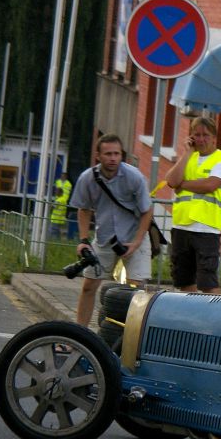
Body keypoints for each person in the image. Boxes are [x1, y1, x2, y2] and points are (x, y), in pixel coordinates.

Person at [70, 134, 153, 327]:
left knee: (136, 291)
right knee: (89, 285)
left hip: (134, 236)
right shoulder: (88, 178)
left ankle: (130, 338)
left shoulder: (134, 177)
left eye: (117, 154)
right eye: (108, 154)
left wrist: (137, 242)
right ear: (98, 156)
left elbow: (147, 211)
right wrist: (83, 240)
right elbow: (83, 209)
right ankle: (80, 332)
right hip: (105, 237)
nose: (113, 158)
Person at [165, 116, 221, 293]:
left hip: (206, 229)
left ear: (214, 137)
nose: (201, 139)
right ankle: (190, 318)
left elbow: (209, 185)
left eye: (206, 135)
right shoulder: (188, 158)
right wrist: (187, 153)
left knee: (208, 282)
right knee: (183, 280)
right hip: (182, 226)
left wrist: (182, 185)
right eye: (196, 134)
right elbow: (171, 180)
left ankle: (215, 318)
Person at [49, 172, 71, 238]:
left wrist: (50, 207)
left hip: (56, 218)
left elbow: (52, 207)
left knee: (54, 231)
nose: (55, 192)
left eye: (63, 176)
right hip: (59, 217)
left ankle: (55, 239)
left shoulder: (68, 184)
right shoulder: (58, 182)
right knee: (57, 231)